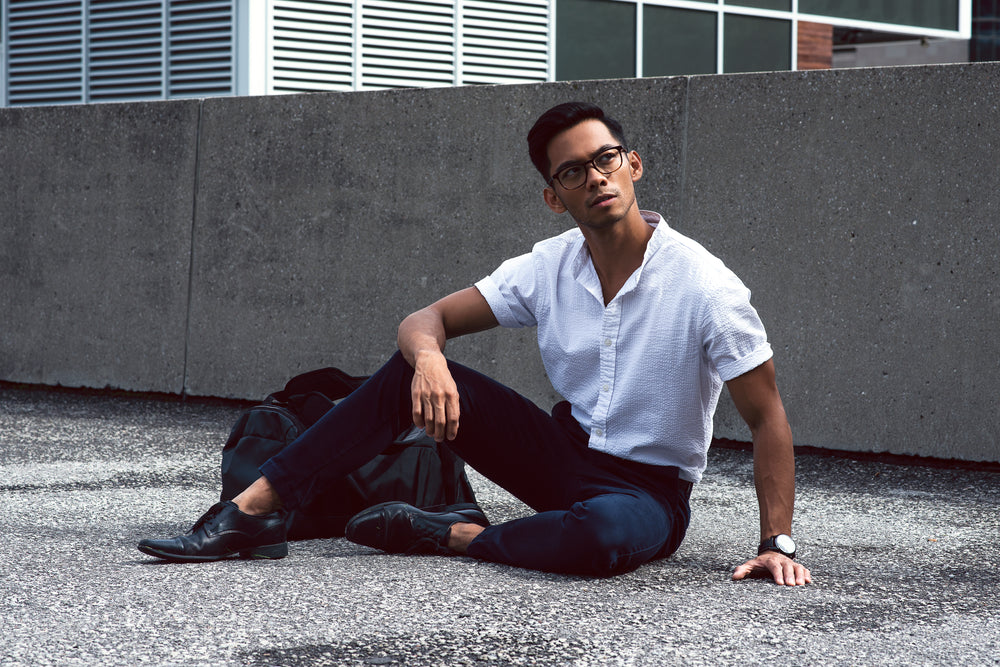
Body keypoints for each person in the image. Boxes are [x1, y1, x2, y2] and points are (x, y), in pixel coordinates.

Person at [138, 102, 811, 586]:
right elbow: (423, 319)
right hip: (558, 455)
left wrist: (775, 540)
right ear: (555, 197)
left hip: (647, 494)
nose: (597, 177)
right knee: (408, 372)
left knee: (600, 537)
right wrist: (428, 359)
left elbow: (766, 416)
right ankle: (251, 510)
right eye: (574, 171)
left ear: (633, 165)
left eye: (606, 159)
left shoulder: (704, 285)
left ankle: (451, 532)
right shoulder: (550, 266)